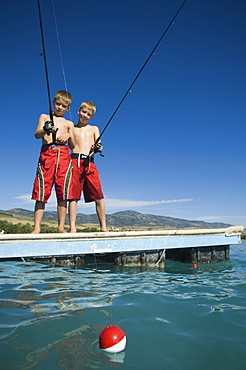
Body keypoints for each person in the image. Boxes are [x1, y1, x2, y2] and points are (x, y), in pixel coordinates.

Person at [31, 90, 75, 233]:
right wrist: (45, 129)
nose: (60, 107)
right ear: (53, 103)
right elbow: (37, 135)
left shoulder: (69, 123)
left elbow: (73, 146)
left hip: (63, 155)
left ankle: (61, 227)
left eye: (63, 106)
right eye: (58, 104)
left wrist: (69, 135)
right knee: (42, 190)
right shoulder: (45, 117)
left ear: (68, 108)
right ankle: (37, 227)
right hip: (47, 154)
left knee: (62, 193)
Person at [68, 101, 107, 233]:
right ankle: (72, 228)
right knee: (73, 196)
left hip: (89, 162)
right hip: (74, 161)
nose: (85, 115)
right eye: (83, 112)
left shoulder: (94, 128)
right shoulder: (71, 127)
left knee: (99, 195)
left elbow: (100, 146)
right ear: (78, 111)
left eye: (88, 114)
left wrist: (97, 148)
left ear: (91, 117)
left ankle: (103, 227)